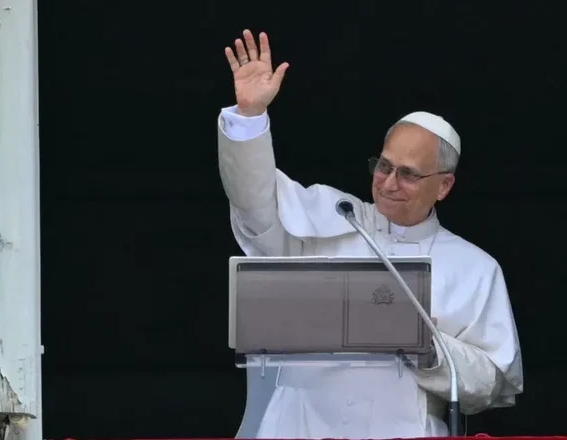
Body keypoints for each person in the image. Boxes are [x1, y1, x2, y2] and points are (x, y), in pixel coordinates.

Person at [218, 29, 524, 439]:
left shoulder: (476, 268)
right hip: (297, 428)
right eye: (383, 166)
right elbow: (254, 204)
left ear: (444, 186)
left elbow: (489, 384)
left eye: (409, 174)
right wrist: (249, 116)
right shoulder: (333, 216)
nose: (389, 183)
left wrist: (426, 345)